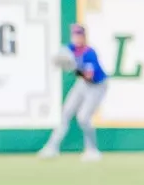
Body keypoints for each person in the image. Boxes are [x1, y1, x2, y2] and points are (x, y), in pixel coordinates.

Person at [38, 23, 108, 162]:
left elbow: (89, 75)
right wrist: (62, 61)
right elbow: (58, 58)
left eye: (79, 35)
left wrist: (74, 67)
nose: (77, 38)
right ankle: (52, 148)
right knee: (66, 112)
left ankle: (92, 150)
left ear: (84, 37)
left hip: (97, 86)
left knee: (83, 117)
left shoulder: (89, 53)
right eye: (75, 35)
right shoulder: (70, 48)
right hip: (82, 84)